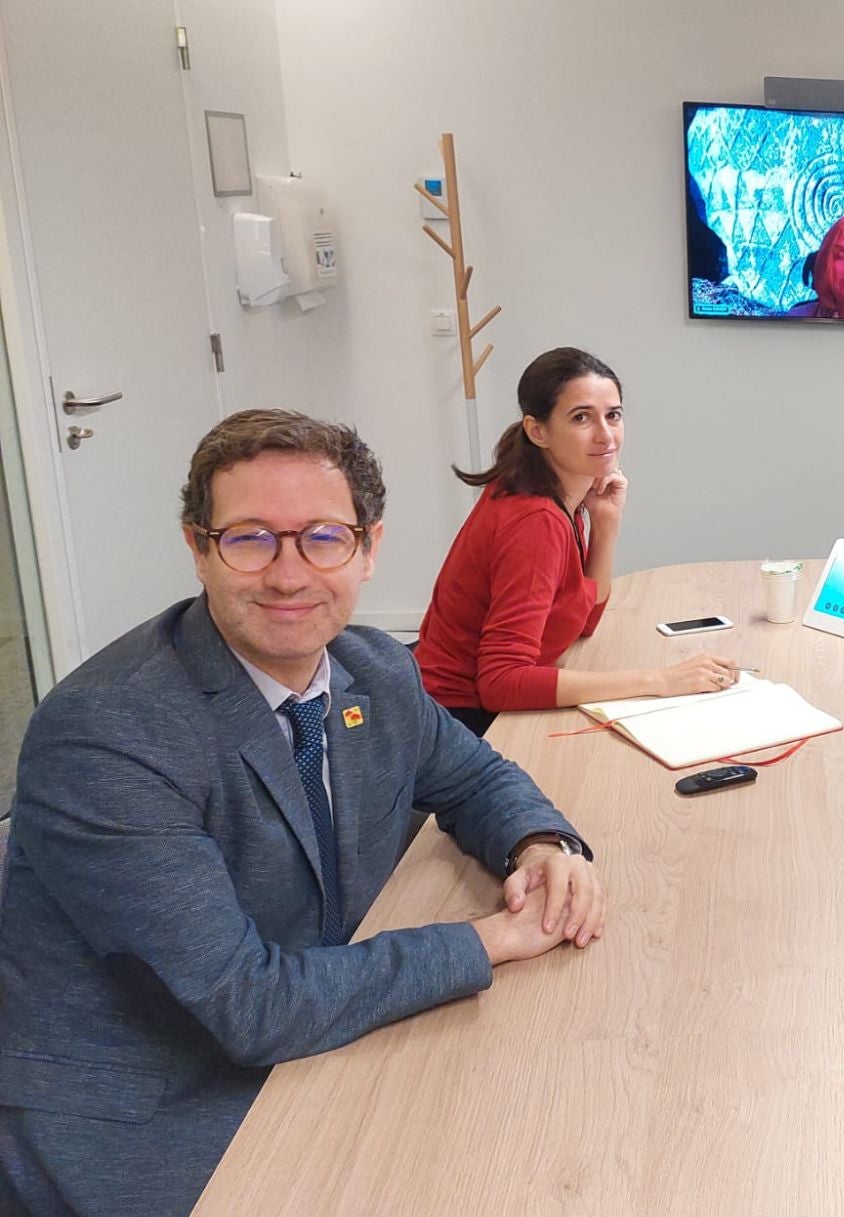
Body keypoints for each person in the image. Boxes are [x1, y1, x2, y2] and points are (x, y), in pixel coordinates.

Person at [0, 410, 608, 1216]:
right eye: (250, 538)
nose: (289, 575)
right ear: (198, 546)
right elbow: (248, 1005)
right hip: (156, 1097)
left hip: (310, 1022)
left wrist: (540, 842)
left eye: (323, 537)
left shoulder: (374, 667)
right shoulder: (109, 735)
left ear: (369, 546)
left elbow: (471, 777)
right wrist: (488, 938)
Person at [415, 347, 739, 736]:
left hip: (474, 702)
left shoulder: (559, 494)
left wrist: (606, 523)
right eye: (581, 417)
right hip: (461, 720)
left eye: (613, 415)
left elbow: (581, 622)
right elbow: (501, 683)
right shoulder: (535, 520)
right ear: (538, 431)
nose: (605, 435)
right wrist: (658, 680)